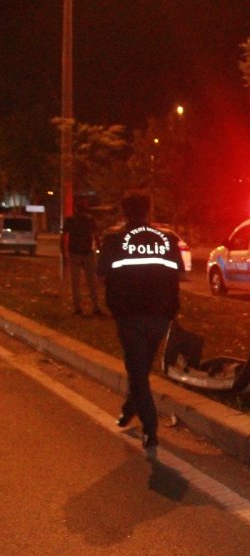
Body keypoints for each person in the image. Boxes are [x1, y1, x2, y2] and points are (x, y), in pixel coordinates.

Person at [97, 192, 182, 455]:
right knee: (140, 370)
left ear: (124, 213)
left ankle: (150, 427)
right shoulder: (167, 239)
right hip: (159, 316)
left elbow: (102, 274)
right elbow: (177, 273)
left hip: (129, 316)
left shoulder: (113, 240)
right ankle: (128, 410)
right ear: (148, 212)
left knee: (137, 372)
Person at [61, 199, 104, 316]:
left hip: (75, 252)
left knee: (76, 282)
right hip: (87, 252)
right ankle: (95, 306)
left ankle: (78, 307)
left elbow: (65, 236)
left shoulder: (70, 220)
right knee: (91, 281)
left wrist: (64, 252)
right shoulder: (90, 220)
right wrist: (99, 249)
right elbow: (96, 236)